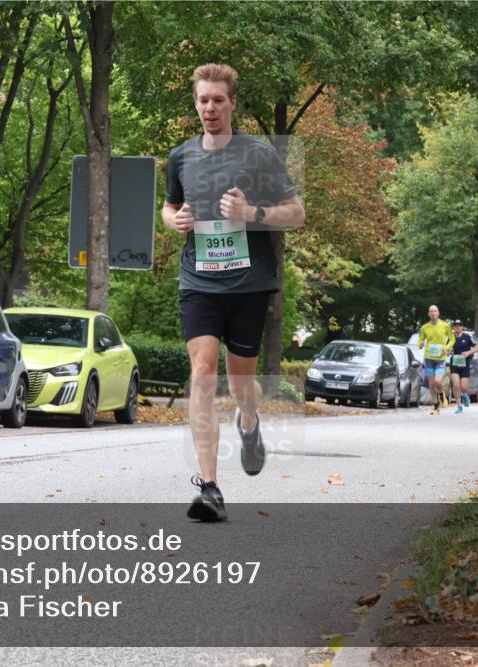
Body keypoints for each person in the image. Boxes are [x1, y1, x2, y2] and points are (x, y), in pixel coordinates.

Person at [162, 63, 305, 522]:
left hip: (248, 284)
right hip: (199, 281)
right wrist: (175, 221)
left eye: (217, 100)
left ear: (232, 103)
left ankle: (249, 421)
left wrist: (253, 211)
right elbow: (168, 208)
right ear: (195, 102)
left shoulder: (258, 154)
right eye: (202, 100)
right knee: (203, 372)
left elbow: (296, 213)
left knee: (242, 382)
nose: (209, 108)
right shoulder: (181, 157)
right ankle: (209, 487)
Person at [417, 305, 454, 415]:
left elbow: (452, 339)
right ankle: (436, 406)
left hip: (440, 358)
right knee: (431, 384)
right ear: (428, 314)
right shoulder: (424, 327)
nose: (433, 313)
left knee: (438, 381)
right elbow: (420, 342)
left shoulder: (445, 325)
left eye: (435, 311)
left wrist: (446, 347)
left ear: (438, 313)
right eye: (431, 311)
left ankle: (442, 394)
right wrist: (421, 343)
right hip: (428, 358)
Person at [448, 320, 478, 413]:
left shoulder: (467, 337)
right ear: (453, 327)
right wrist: (448, 352)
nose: (458, 327)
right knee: (456, 385)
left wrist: (468, 352)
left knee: (464, 387)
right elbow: (446, 350)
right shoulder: (451, 338)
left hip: (465, 364)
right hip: (454, 364)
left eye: (459, 326)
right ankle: (459, 405)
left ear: (462, 327)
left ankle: (465, 395)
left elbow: (477, 348)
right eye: (456, 326)